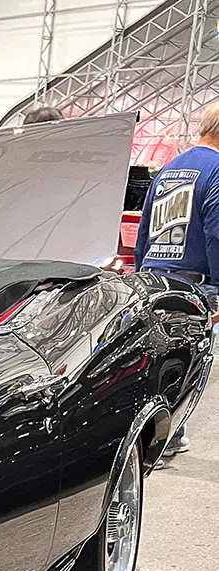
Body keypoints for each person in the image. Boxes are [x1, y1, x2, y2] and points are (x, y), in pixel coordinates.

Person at [134, 102, 219, 457]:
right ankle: (168, 437)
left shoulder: (169, 169)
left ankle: (155, 436)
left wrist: (140, 275)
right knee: (190, 364)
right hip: (194, 283)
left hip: (154, 278)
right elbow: (216, 234)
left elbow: (144, 229)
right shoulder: (216, 170)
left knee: (158, 362)